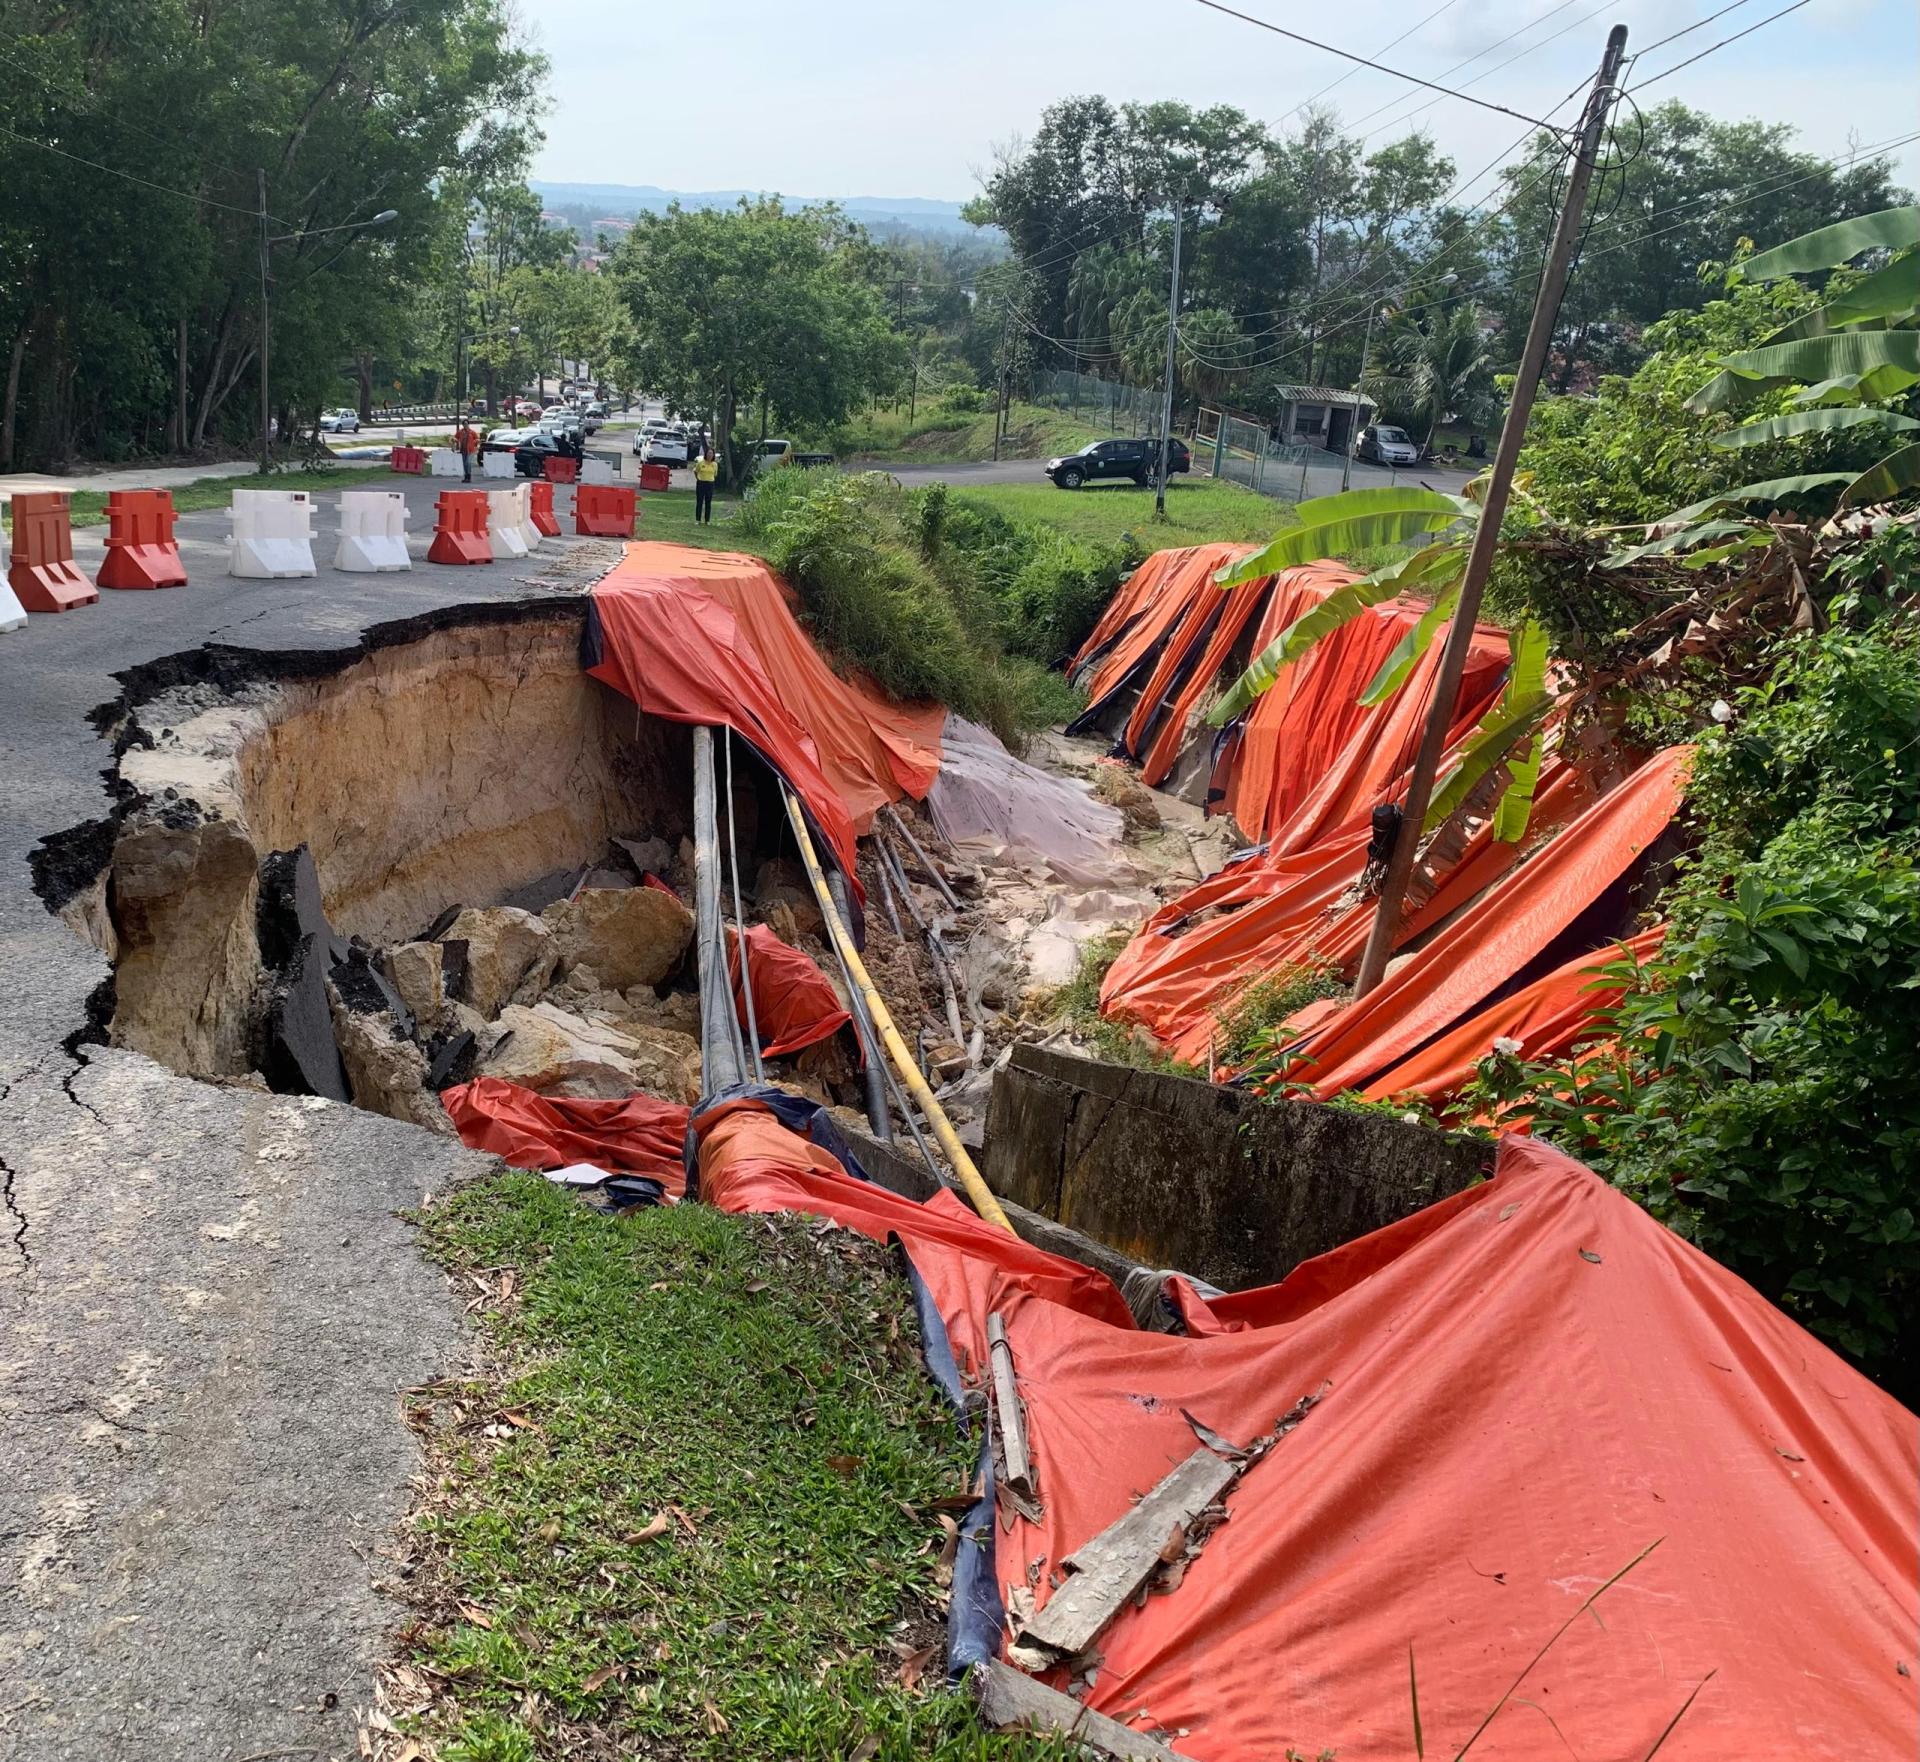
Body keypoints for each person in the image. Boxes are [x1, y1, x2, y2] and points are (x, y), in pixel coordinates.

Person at [693, 444, 718, 524]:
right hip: (701, 483)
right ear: (706, 454)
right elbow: (695, 471)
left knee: (708, 502)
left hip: (710, 484)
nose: (710, 455)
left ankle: (707, 520)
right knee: (699, 501)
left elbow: (715, 474)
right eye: (708, 453)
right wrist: (699, 478)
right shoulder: (701, 463)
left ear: (713, 455)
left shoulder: (715, 464)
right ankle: (698, 519)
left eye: (711, 453)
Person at [454, 417, 477, 482]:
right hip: (463, 450)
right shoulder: (460, 432)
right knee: (464, 464)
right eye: (464, 424)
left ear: (468, 424)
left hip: (470, 450)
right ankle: (466, 477)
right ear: (463, 425)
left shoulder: (472, 432)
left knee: (468, 462)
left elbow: (477, 439)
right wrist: (455, 441)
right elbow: (455, 437)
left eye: (466, 424)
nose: (465, 425)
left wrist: (474, 442)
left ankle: (469, 477)